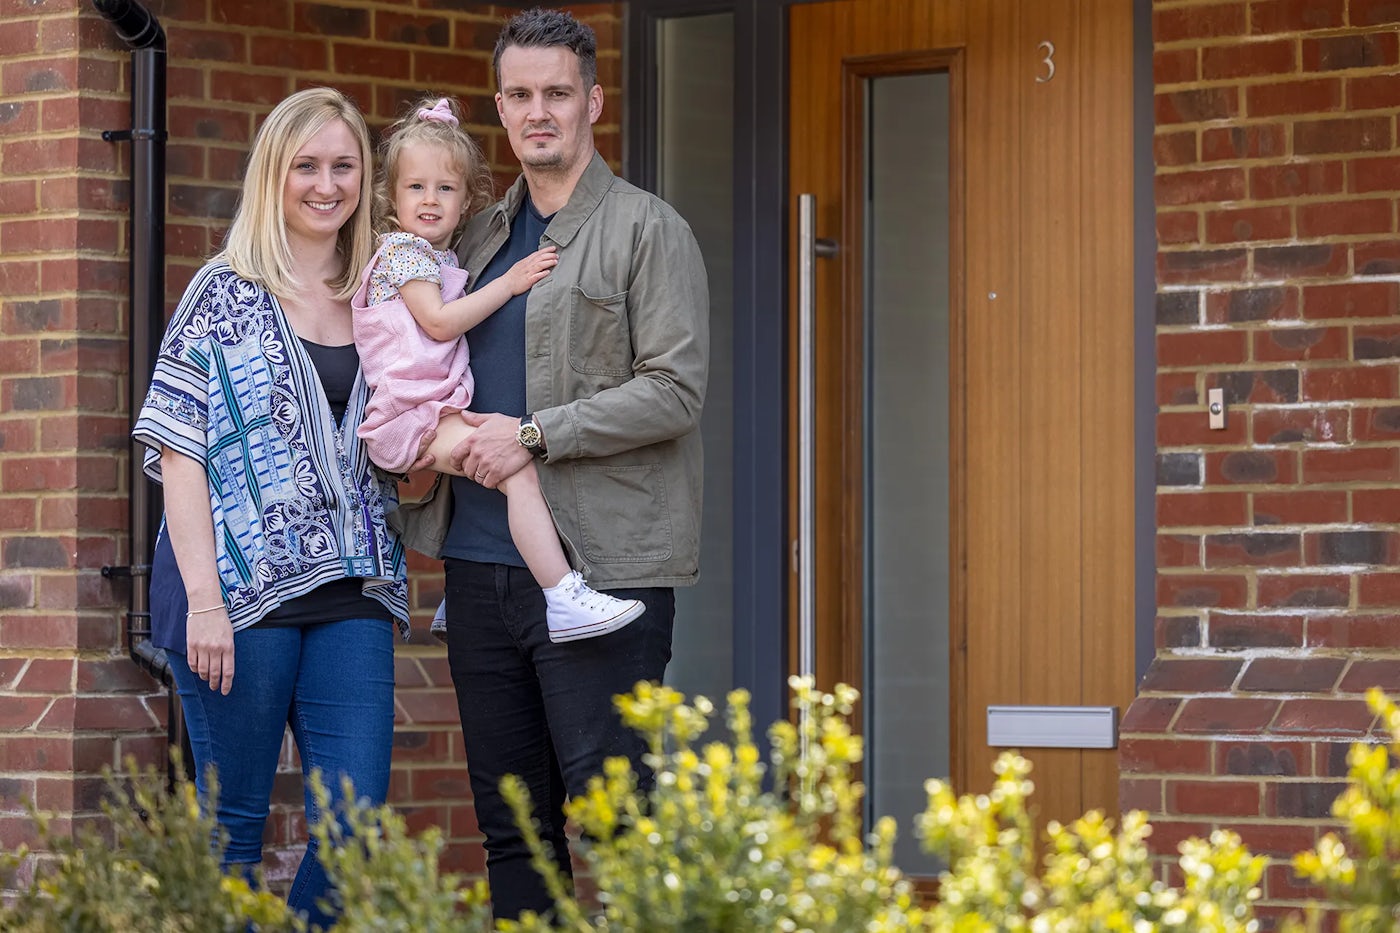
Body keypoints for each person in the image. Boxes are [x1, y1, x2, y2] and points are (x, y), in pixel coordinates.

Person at [393, 7, 710, 921]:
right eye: (522, 95)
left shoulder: (648, 231)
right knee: (513, 825)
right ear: (500, 107)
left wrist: (532, 434)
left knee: (617, 823)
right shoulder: (476, 238)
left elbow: (676, 391)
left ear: (594, 103)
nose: (540, 112)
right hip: (480, 571)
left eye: (558, 94)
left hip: (603, 573)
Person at [132, 87, 407, 931]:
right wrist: (205, 604)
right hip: (235, 598)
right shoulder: (224, 291)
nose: (327, 185)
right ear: (273, 176)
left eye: (344, 165)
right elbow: (179, 456)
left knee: (354, 826)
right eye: (307, 167)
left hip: (351, 590)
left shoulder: (386, 293)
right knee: (231, 833)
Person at [353, 95, 644, 643]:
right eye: (416, 187)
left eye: (446, 188)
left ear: (467, 203)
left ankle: (455, 603)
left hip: (430, 406)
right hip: (411, 413)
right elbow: (439, 323)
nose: (430, 200)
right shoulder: (403, 253)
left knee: (502, 451)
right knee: (518, 473)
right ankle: (562, 595)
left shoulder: (438, 255)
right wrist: (509, 283)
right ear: (392, 196)